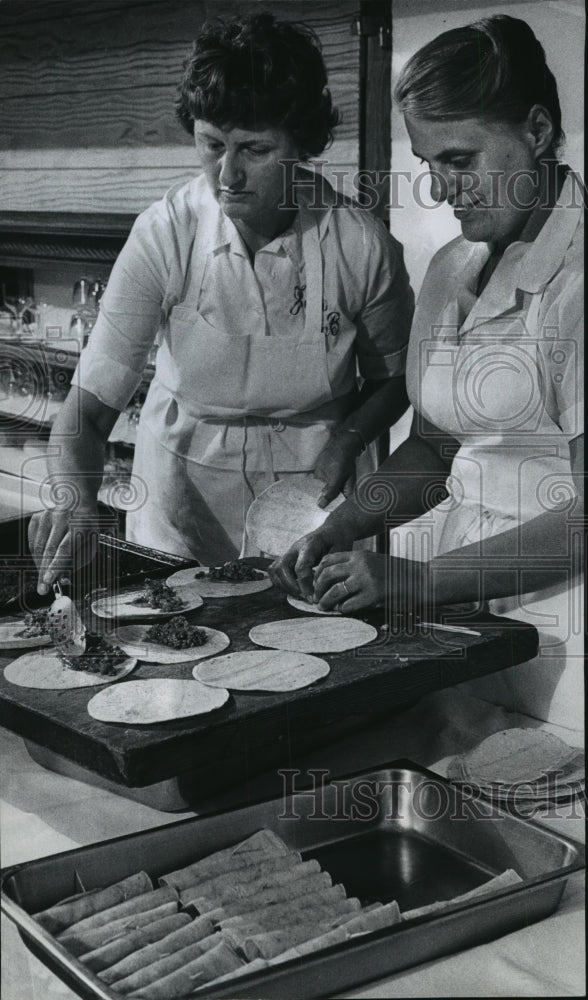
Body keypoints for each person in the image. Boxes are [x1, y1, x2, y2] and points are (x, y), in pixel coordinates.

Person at [270, 15, 584, 737]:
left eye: (461, 160)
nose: (443, 189)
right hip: (450, 608)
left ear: (537, 130)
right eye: (429, 164)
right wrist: (345, 524)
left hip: (562, 619)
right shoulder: (452, 268)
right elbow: (435, 451)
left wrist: (419, 582)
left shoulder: (579, 280)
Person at [28, 12, 414, 592]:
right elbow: (84, 413)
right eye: (211, 145)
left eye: (253, 149)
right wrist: (76, 498)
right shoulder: (165, 234)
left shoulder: (361, 246)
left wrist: (348, 437)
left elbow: (394, 378)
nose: (226, 174)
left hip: (310, 507)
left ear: (301, 143)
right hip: (177, 511)